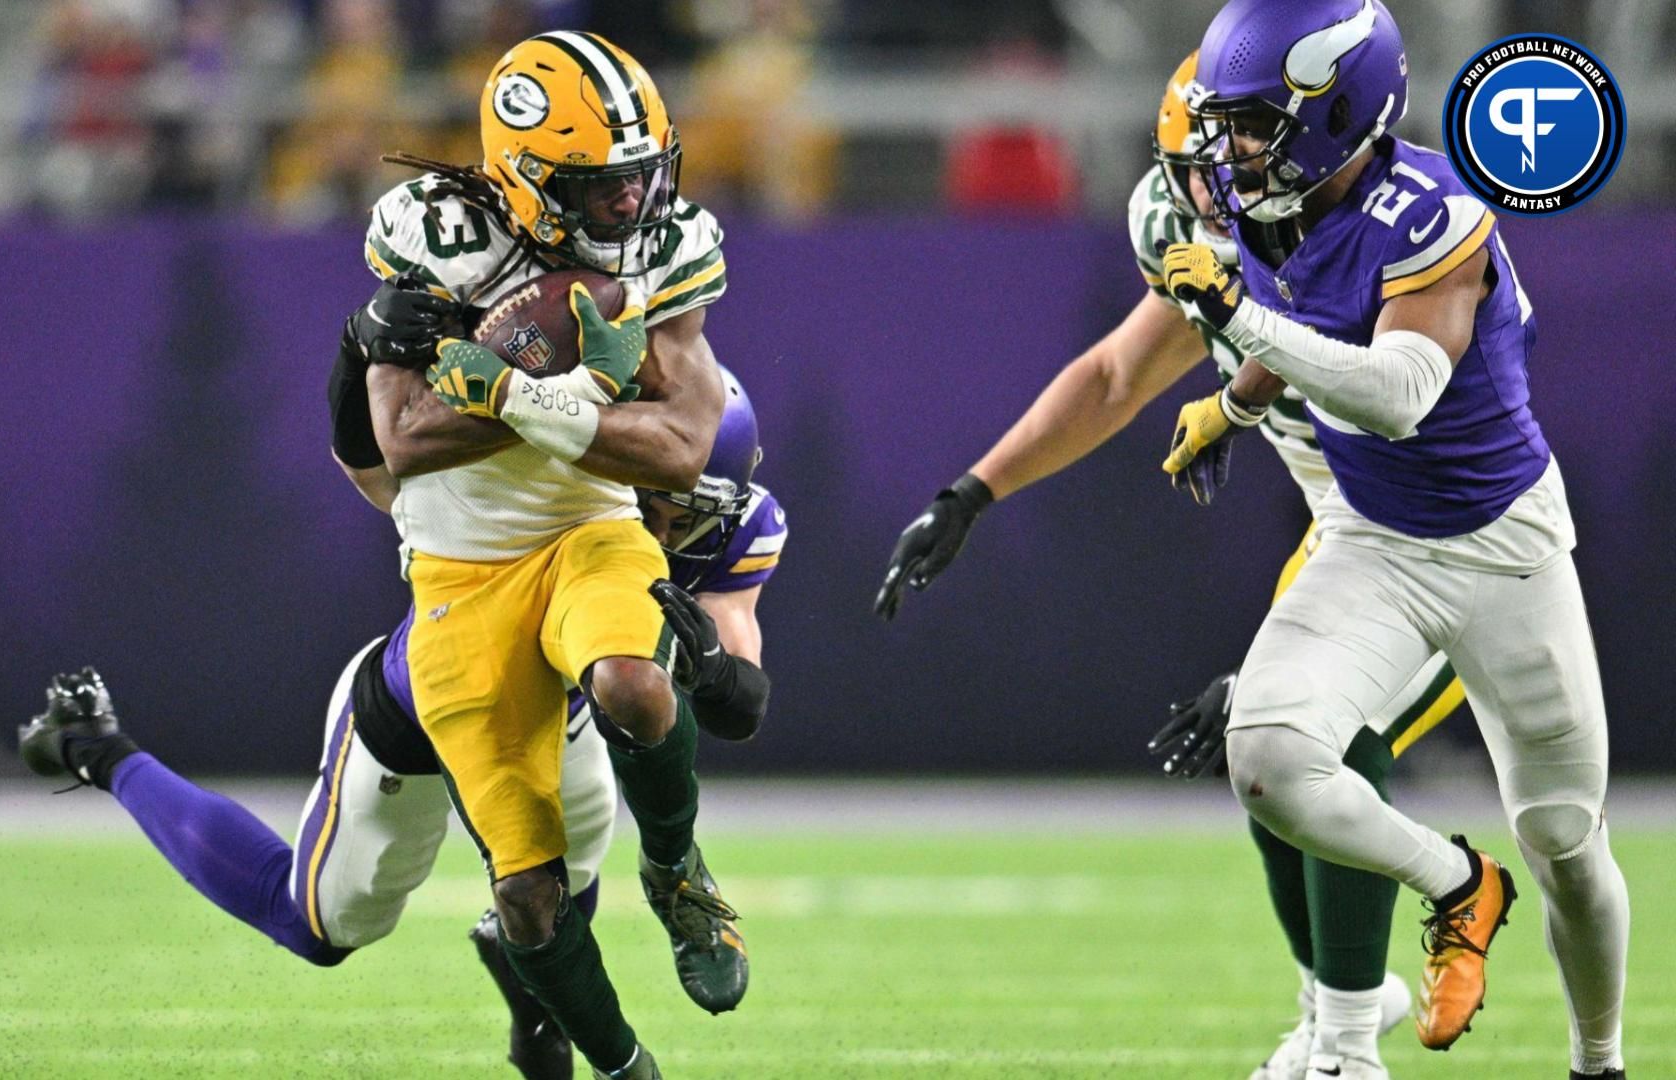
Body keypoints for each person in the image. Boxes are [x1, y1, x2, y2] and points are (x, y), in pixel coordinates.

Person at [873, 49, 1434, 1078]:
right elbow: (1116, 375)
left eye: (1245, 150)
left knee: (1322, 734)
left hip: (1446, 528)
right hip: (1347, 528)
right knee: (1268, 763)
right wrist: (972, 493)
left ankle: (1351, 1048)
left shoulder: (1360, 240)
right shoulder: (1204, 236)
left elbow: (1414, 447)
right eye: (1201, 161)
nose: (1217, 182)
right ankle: (1337, 1008)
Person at [17, 370, 782, 1080]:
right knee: (318, 926)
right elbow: (377, 467)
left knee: (564, 879)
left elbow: (738, 705)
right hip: (426, 702)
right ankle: (97, 745)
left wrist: (709, 667)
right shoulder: (549, 465)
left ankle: (577, 975)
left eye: (674, 498)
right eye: (638, 484)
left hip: (567, 714)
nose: (653, 519)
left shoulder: (735, 526)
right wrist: (361, 360)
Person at [1154, 2, 1627, 1077]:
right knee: (1268, 756)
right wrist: (1232, 404)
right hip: (1375, 540)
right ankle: (1458, 882)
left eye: (1253, 124)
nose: (1229, 151)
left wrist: (1237, 320)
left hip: (1504, 549)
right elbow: (1301, 309)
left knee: (1565, 839)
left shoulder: (1435, 210)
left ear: (1335, 113)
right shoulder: (1277, 212)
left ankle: (1599, 1060)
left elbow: (1399, 391)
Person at [324, 31, 746, 1080]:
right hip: (459, 573)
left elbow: (684, 446)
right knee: (525, 893)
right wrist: (585, 394)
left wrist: (514, 391)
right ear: (527, 180)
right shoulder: (434, 235)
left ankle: (676, 870)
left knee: (637, 686)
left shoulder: (667, 246)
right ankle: (619, 1066)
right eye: (604, 190)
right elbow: (404, 438)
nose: (634, 208)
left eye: (644, 178)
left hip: (587, 527)